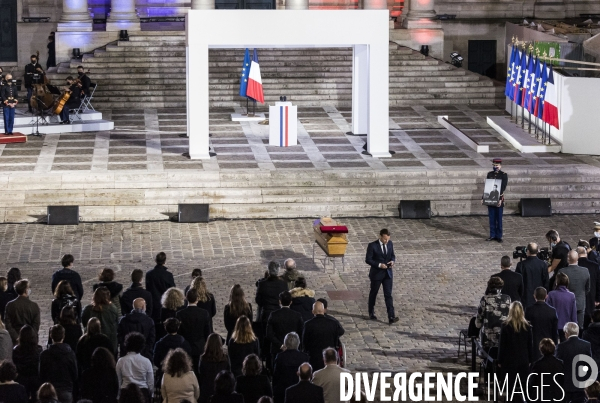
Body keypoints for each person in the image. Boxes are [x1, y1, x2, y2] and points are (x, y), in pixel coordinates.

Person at [496, 302, 533, 403]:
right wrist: (530, 360)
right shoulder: (527, 326)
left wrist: (500, 360)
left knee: (510, 387)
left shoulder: (505, 325)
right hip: (523, 360)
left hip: (509, 361)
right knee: (524, 385)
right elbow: (530, 345)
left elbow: (502, 345)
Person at [365, 228, 399, 324]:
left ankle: (391, 316)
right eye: (385, 239)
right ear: (380, 236)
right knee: (374, 293)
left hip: (388, 274)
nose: (386, 241)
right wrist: (379, 265)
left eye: (388, 239)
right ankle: (371, 312)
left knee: (388, 295)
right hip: (377, 274)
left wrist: (392, 261)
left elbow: (392, 255)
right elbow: (368, 259)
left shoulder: (390, 243)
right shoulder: (372, 246)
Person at [39, 325, 78, 403]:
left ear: (51, 336)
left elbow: (41, 375)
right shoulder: (70, 354)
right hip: (66, 390)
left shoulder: (44, 355)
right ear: (63, 336)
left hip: (49, 392)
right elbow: (75, 374)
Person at [302, 301, 344, 372]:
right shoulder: (333, 323)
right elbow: (336, 339)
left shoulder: (308, 325)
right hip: (330, 358)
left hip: (314, 359)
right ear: (323, 310)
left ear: (313, 311)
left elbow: (305, 343)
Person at [176, 288, 211, 372]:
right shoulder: (204, 313)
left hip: (185, 346)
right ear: (197, 299)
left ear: (186, 298)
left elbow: (179, 332)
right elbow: (207, 331)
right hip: (200, 346)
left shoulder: (180, 314)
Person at [556, 322, 592, 403]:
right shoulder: (586, 345)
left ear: (567, 333)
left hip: (565, 384)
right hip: (581, 384)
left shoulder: (561, 347)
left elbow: (557, 364)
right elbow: (589, 365)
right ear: (577, 332)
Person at [266, 290, 303, 366]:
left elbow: (269, 334)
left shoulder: (274, 315)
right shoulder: (297, 315)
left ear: (280, 301)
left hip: (277, 349)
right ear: (291, 302)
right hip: (294, 350)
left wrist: (281, 345)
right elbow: (301, 332)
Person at [116, 332, 154, 403]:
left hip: (125, 392)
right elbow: (150, 383)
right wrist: (151, 396)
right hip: (143, 392)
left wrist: (118, 396)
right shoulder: (146, 361)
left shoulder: (121, 361)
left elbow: (118, 381)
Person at [475, 276, 510, 349]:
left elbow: (479, 317)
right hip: (503, 334)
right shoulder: (507, 298)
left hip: (488, 335)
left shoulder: (485, 299)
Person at [272, 332, 309, 403]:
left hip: (282, 391)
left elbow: (276, 376)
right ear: (298, 343)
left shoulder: (280, 357)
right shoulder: (304, 357)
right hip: (300, 391)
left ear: (285, 343)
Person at [81, 287, 119, 353]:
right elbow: (116, 323)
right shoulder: (113, 309)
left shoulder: (88, 310)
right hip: (110, 341)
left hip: (92, 342)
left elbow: (84, 322)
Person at [525, 287, 558, 361]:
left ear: (534, 296)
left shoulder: (529, 310)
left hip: (533, 346)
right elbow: (554, 332)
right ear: (546, 296)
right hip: (548, 346)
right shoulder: (552, 311)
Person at [4, 279, 40, 344]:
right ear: (25, 290)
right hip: (31, 339)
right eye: (29, 287)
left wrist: (16, 337)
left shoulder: (10, 305)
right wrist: (32, 336)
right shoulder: (34, 305)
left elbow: (8, 324)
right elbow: (36, 324)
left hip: (15, 339)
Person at [528, 338, 564, 403]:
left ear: (541, 349)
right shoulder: (560, 363)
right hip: (557, 397)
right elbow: (563, 381)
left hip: (541, 397)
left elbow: (532, 383)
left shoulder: (536, 365)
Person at [561, 250, 591, 327]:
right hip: (580, 302)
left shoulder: (562, 272)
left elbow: (558, 288)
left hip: (566, 303)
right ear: (577, 258)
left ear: (568, 259)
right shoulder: (585, 271)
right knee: (579, 326)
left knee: (567, 327)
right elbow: (587, 288)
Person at [13, 325, 42, 401]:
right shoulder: (38, 350)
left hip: (22, 379)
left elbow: (15, 364)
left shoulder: (16, 350)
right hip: (35, 379)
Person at [515, 243, 549, 309]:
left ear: (528, 251)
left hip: (525, 297)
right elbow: (546, 282)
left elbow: (517, 281)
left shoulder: (521, 265)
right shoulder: (543, 264)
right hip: (539, 296)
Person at [198, 333, 230, 403]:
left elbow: (201, 375)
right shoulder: (225, 359)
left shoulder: (203, 359)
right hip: (221, 392)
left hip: (206, 392)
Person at [546, 272, 577, 342]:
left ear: (557, 282)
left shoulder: (551, 294)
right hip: (566, 326)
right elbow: (573, 313)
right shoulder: (571, 295)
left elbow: (547, 310)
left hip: (553, 325)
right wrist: (575, 325)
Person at [146, 252, 176, 323]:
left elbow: (148, 289)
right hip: (165, 305)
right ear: (164, 261)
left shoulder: (149, 274)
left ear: (155, 260)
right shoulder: (168, 275)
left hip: (153, 304)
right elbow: (172, 290)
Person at [483, 158, 508, 242]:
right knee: (492, 218)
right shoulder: (490, 174)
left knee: (499, 219)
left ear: (500, 166)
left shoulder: (504, 175)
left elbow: (502, 188)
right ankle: (492, 235)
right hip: (490, 199)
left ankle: (499, 236)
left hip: (499, 198)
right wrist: (483, 197)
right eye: (494, 165)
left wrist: (500, 199)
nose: (495, 167)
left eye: (497, 165)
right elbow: (487, 187)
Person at [577, 246, 600, 329]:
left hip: (577, 298)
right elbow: (598, 283)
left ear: (577, 255)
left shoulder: (574, 265)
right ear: (586, 254)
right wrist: (598, 299)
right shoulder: (595, 266)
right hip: (591, 297)